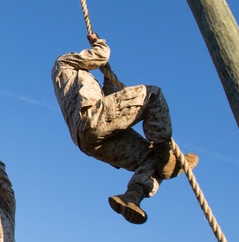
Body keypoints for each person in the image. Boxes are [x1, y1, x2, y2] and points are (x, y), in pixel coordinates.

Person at [51, 33, 198, 225]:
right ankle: (165, 155)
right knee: (152, 95)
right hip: (91, 119)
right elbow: (100, 55)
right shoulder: (64, 62)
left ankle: (133, 196)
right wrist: (99, 43)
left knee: (148, 159)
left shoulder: (80, 84)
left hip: (89, 139)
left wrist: (108, 74)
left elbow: (113, 102)